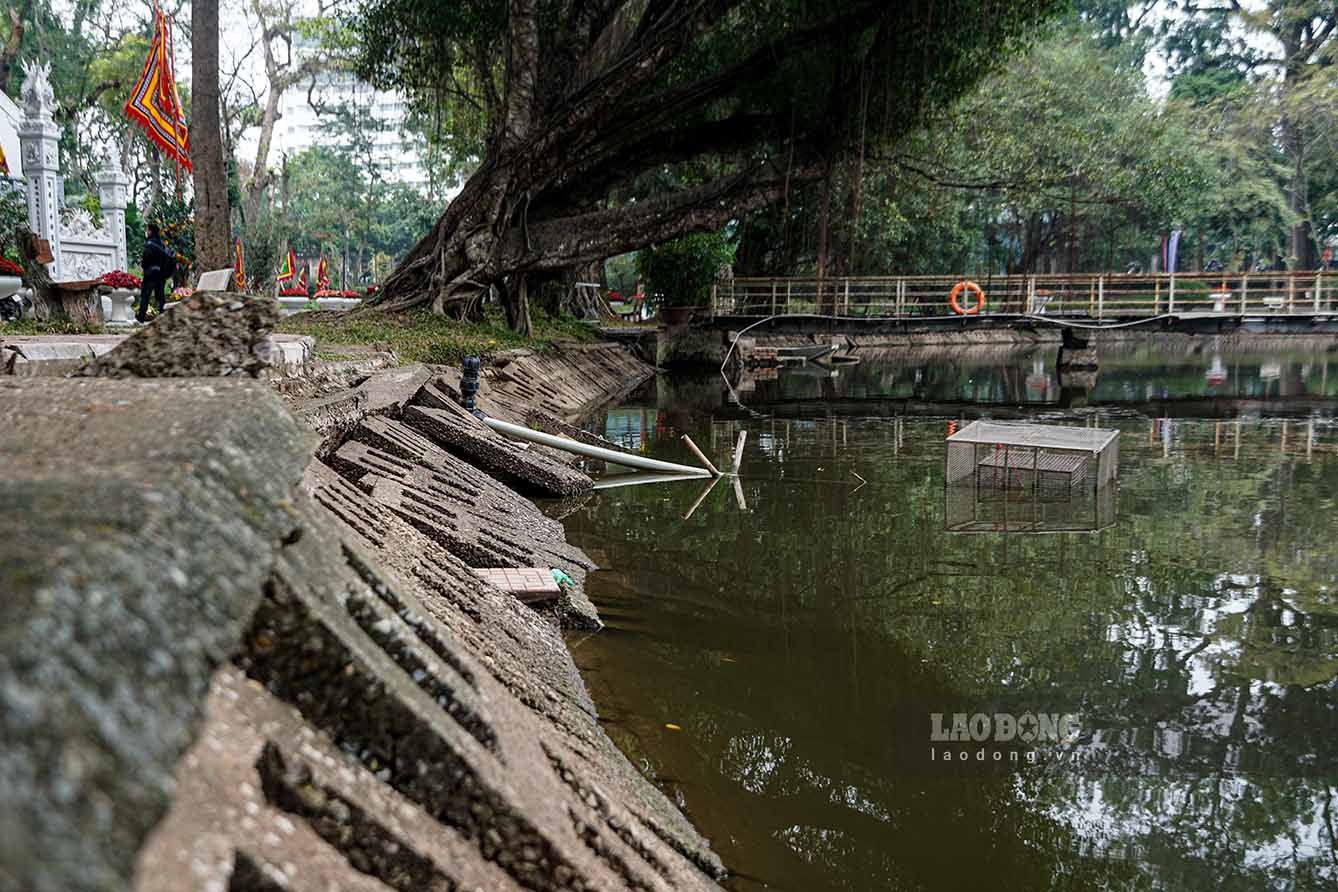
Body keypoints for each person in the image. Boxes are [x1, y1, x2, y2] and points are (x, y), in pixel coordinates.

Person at [136, 222, 175, 323]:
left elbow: (146, 259)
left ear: (150, 231)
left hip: (150, 274)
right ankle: (163, 315)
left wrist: (144, 267)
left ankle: (141, 317)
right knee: (160, 296)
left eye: (147, 230)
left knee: (145, 296)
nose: (146, 232)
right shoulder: (162, 244)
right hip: (161, 275)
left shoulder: (149, 244)